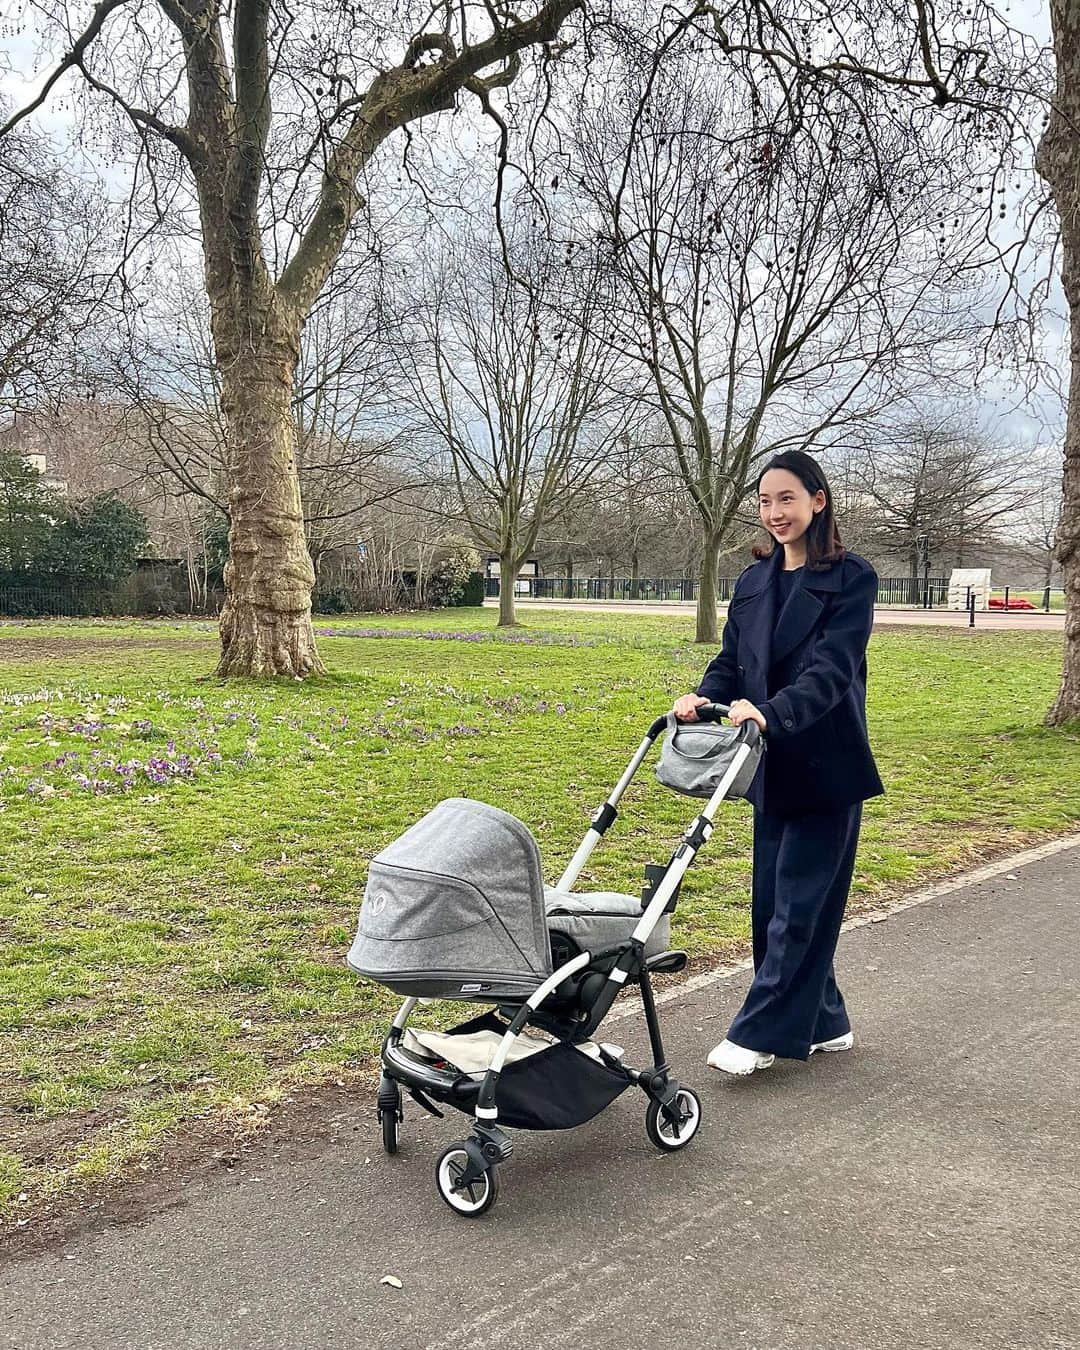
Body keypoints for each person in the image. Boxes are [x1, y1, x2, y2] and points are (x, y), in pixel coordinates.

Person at [673, 450, 884, 1076]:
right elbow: (733, 661)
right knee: (771, 905)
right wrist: (704, 697)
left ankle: (761, 1030)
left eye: (786, 498)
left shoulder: (852, 579)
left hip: (827, 763)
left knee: (799, 904)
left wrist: (772, 711)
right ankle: (825, 1020)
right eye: (765, 502)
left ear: (818, 500)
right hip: (767, 764)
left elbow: (831, 672)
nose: (774, 513)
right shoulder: (754, 580)